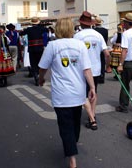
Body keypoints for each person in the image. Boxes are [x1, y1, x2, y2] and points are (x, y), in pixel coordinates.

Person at [38, 17, 96, 168]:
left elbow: (43, 67)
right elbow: (87, 69)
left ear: (57, 29)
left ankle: (72, 155)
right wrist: (92, 87)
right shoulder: (80, 45)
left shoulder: (52, 46)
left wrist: (41, 78)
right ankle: (72, 150)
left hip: (61, 95)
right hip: (78, 93)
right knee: (75, 124)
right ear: (71, 29)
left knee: (66, 126)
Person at [74, 11, 110, 130]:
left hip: (82, 69)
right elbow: (106, 54)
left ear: (81, 23)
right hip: (95, 69)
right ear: (91, 23)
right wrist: (108, 66)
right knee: (93, 92)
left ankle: (92, 119)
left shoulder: (78, 36)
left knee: (83, 94)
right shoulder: (98, 35)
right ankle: (92, 114)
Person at [20, 17, 47, 86]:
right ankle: (39, 76)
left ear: (31, 23)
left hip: (32, 49)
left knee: (33, 63)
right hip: (40, 49)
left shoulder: (29, 29)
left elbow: (21, 33)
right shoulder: (41, 29)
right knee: (40, 63)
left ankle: (36, 77)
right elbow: (46, 30)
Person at [93, 16, 109, 84]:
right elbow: (106, 40)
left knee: (96, 61)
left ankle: (96, 75)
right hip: (103, 48)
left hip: (95, 48)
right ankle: (102, 77)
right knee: (102, 62)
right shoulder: (105, 30)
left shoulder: (94, 30)